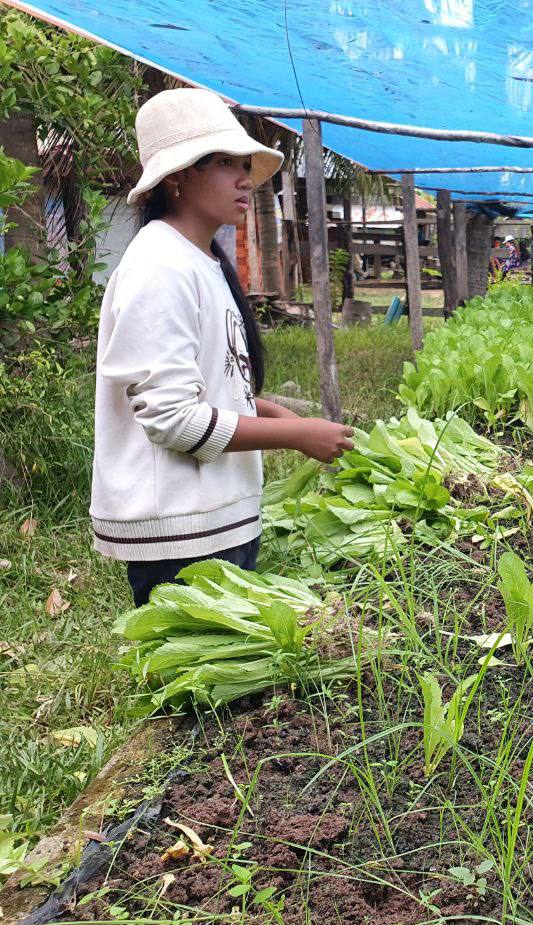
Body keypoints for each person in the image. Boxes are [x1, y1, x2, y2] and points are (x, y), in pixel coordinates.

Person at [92, 88, 355, 606]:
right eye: (224, 164)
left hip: (216, 516)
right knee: (192, 687)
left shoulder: (202, 260)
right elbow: (173, 419)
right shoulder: (159, 269)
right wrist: (297, 434)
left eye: (244, 164)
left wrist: (266, 410)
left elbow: (205, 380)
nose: (244, 178)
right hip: (179, 531)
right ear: (176, 177)